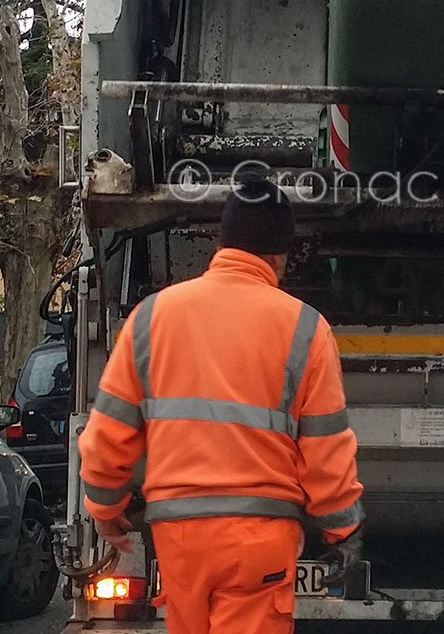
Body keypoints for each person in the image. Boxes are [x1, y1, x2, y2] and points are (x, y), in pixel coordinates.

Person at [78, 175, 364, 634]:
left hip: (179, 538)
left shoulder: (151, 317)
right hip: (259, 538)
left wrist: (105, 509)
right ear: (279, 255)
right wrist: (344, 529)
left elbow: (107, 434)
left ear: (222, 244)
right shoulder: (306, 329)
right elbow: (325, 449)